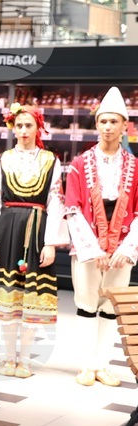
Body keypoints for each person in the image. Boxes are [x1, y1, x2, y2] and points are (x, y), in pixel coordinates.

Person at [0, 104, 66, 380]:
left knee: (31, 296)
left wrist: (50, 242)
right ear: (12, 128)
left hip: (37, 231)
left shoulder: (51, 160)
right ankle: (7, 357)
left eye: (29, 125)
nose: (24, 130)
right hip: (7, 230)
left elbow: (56, 201)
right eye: (19, 126)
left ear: (38, 128)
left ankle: (24, 360)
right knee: (8, 295)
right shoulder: (2, 160)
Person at [64, 86, 138, 387]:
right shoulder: (79, 164)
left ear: (125, 126)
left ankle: (103, 364)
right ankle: (86, 365)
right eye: (103, 121)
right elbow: (72, 209)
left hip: (122, 248)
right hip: (87, 247)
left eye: (114, 121)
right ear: (96, 124)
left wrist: (128, 247)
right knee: (86, 302)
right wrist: (92, 249)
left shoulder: (136, 167)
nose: (108, 127)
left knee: (111, 306)